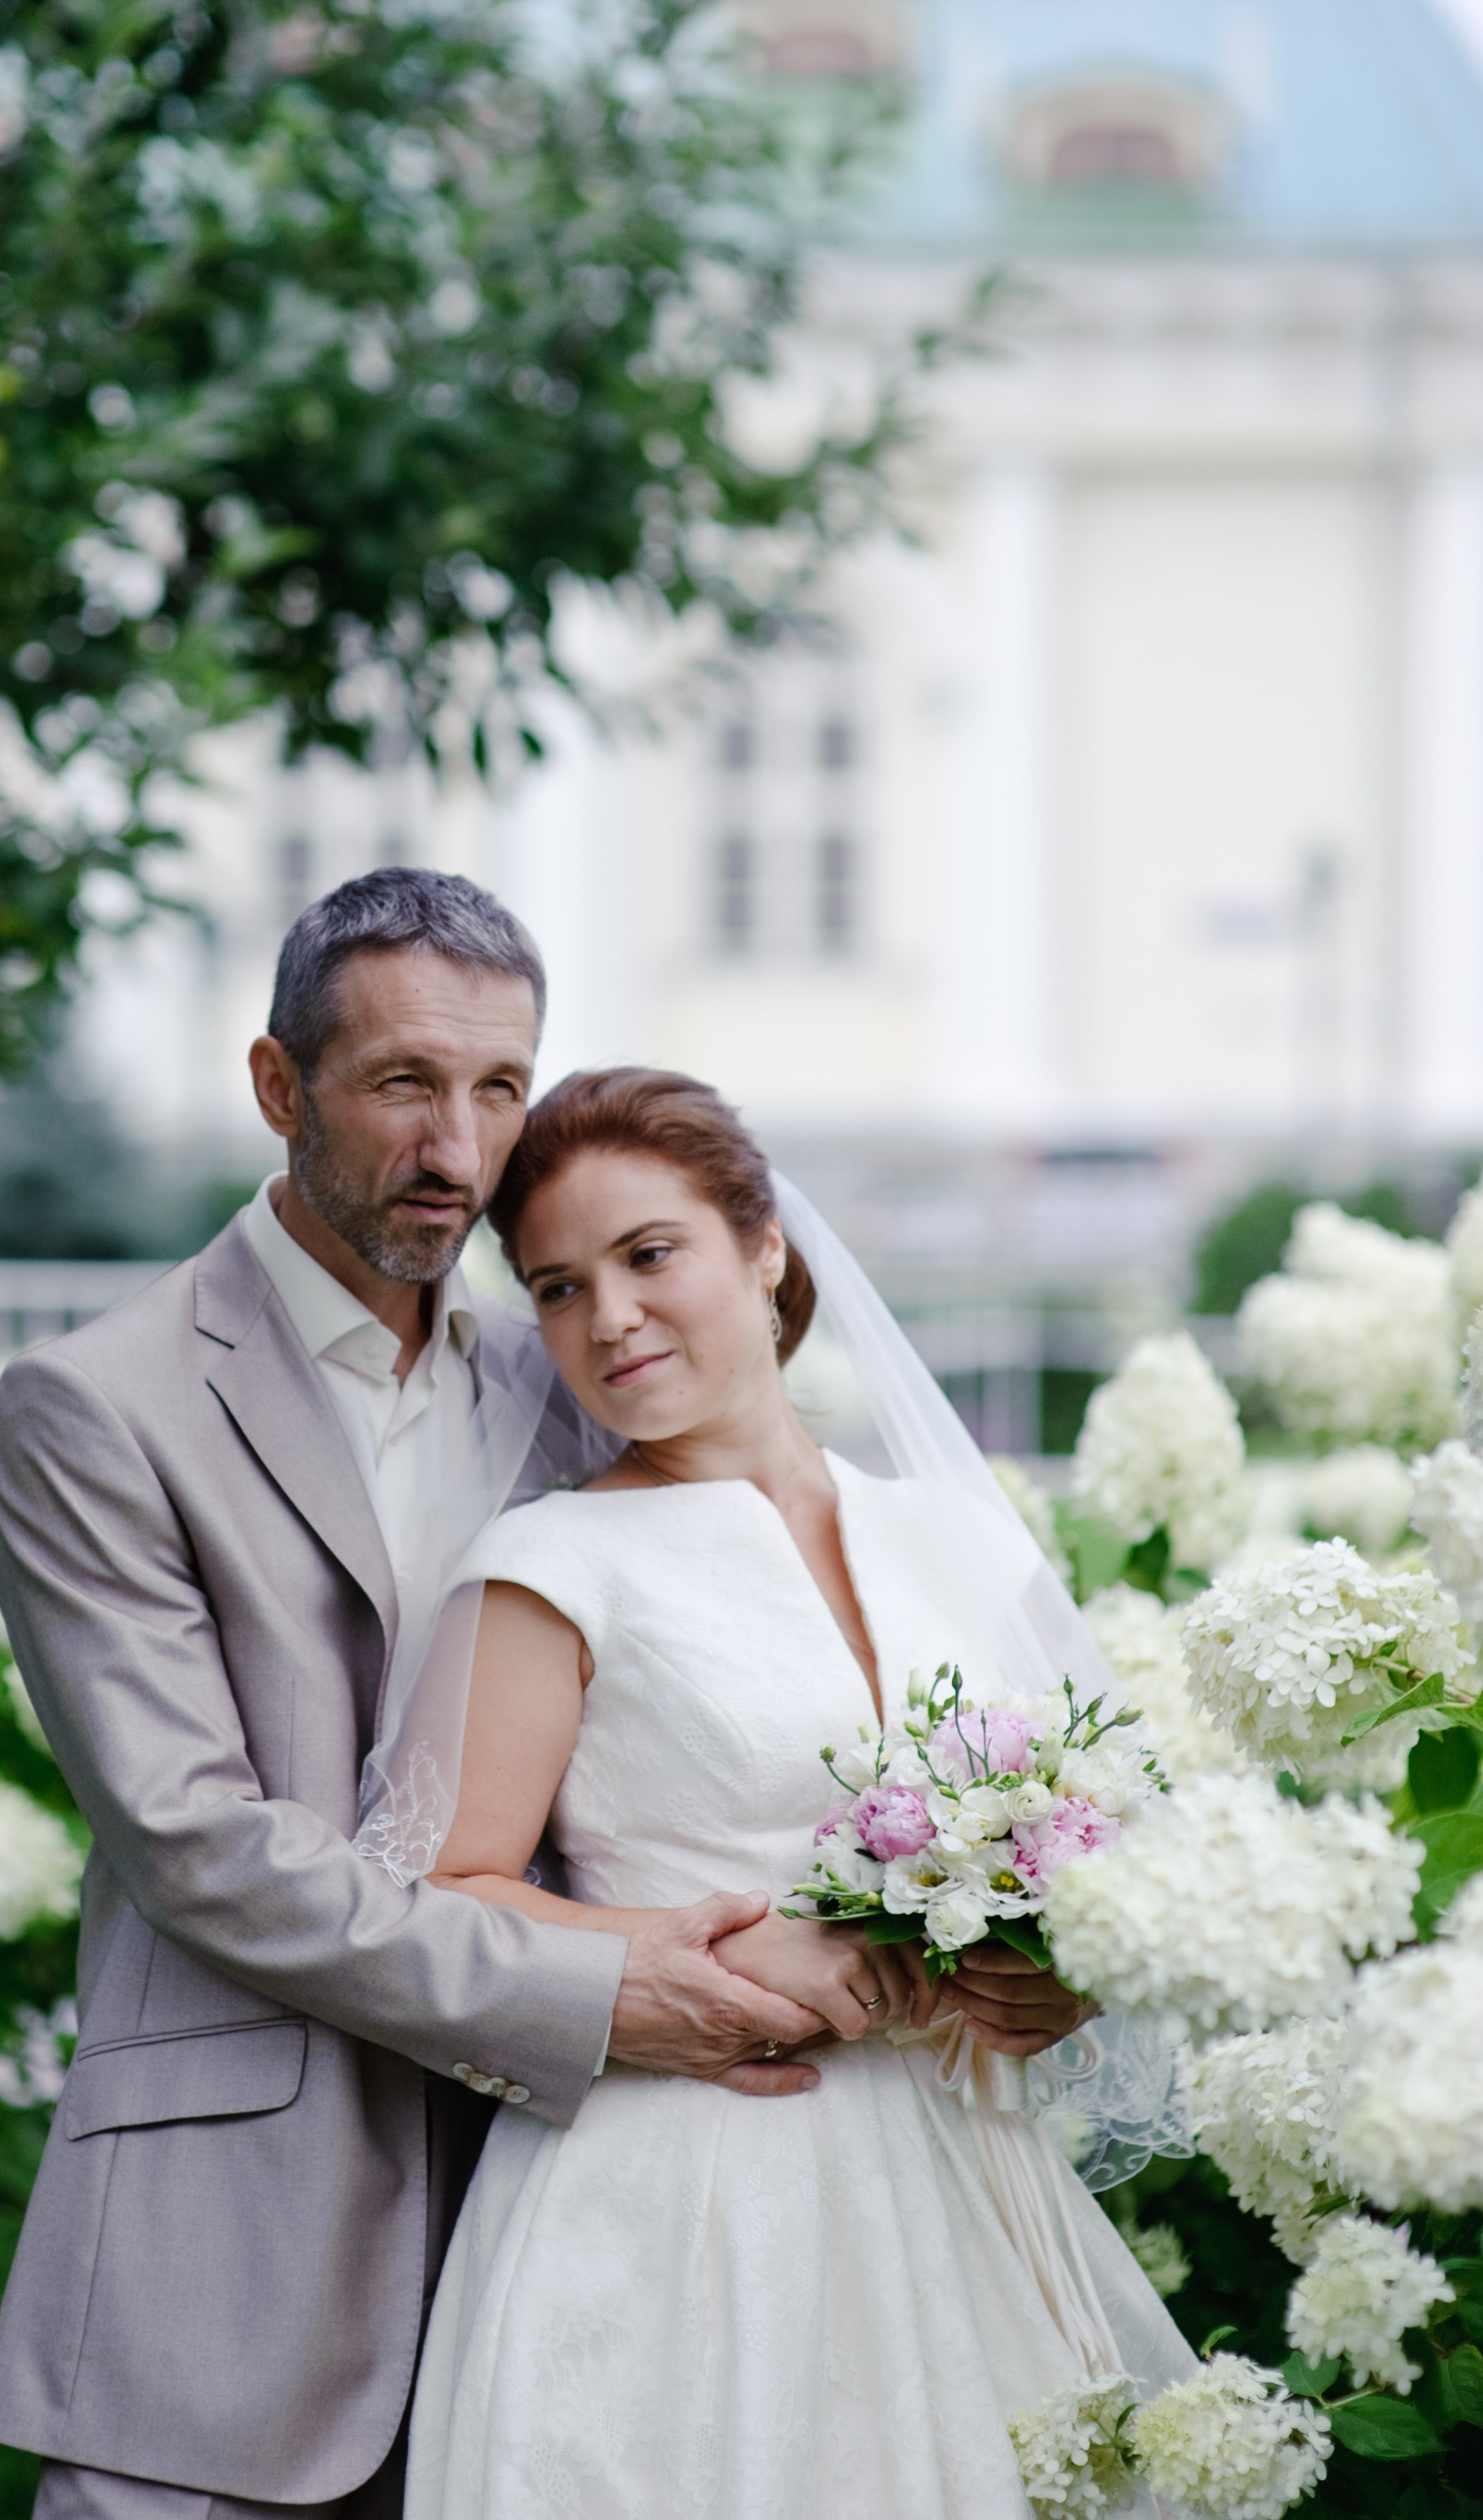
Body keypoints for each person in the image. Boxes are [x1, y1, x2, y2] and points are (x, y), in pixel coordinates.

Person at [0, 875, 826, 2520]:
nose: (459, 1148)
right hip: (227, 2221)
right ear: (279, 1087)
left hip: (569, 2204)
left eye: (499, 1088)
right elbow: (198, 1845)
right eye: (402, 1086)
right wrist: (589, 1994)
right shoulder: (95, 1407)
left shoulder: (564, 1373)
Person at [401, 1066, 1197, 2520]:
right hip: (685, 2194)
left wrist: (1064, 1967)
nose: (611, 1319)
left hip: (967, 2175)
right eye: (560, 1289)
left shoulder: (957, 1538)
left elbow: (1097, 1836)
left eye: (650, 1255)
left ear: (764, 1249)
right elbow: (440, 1899)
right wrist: (681, 1950)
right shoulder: (550, 1570)